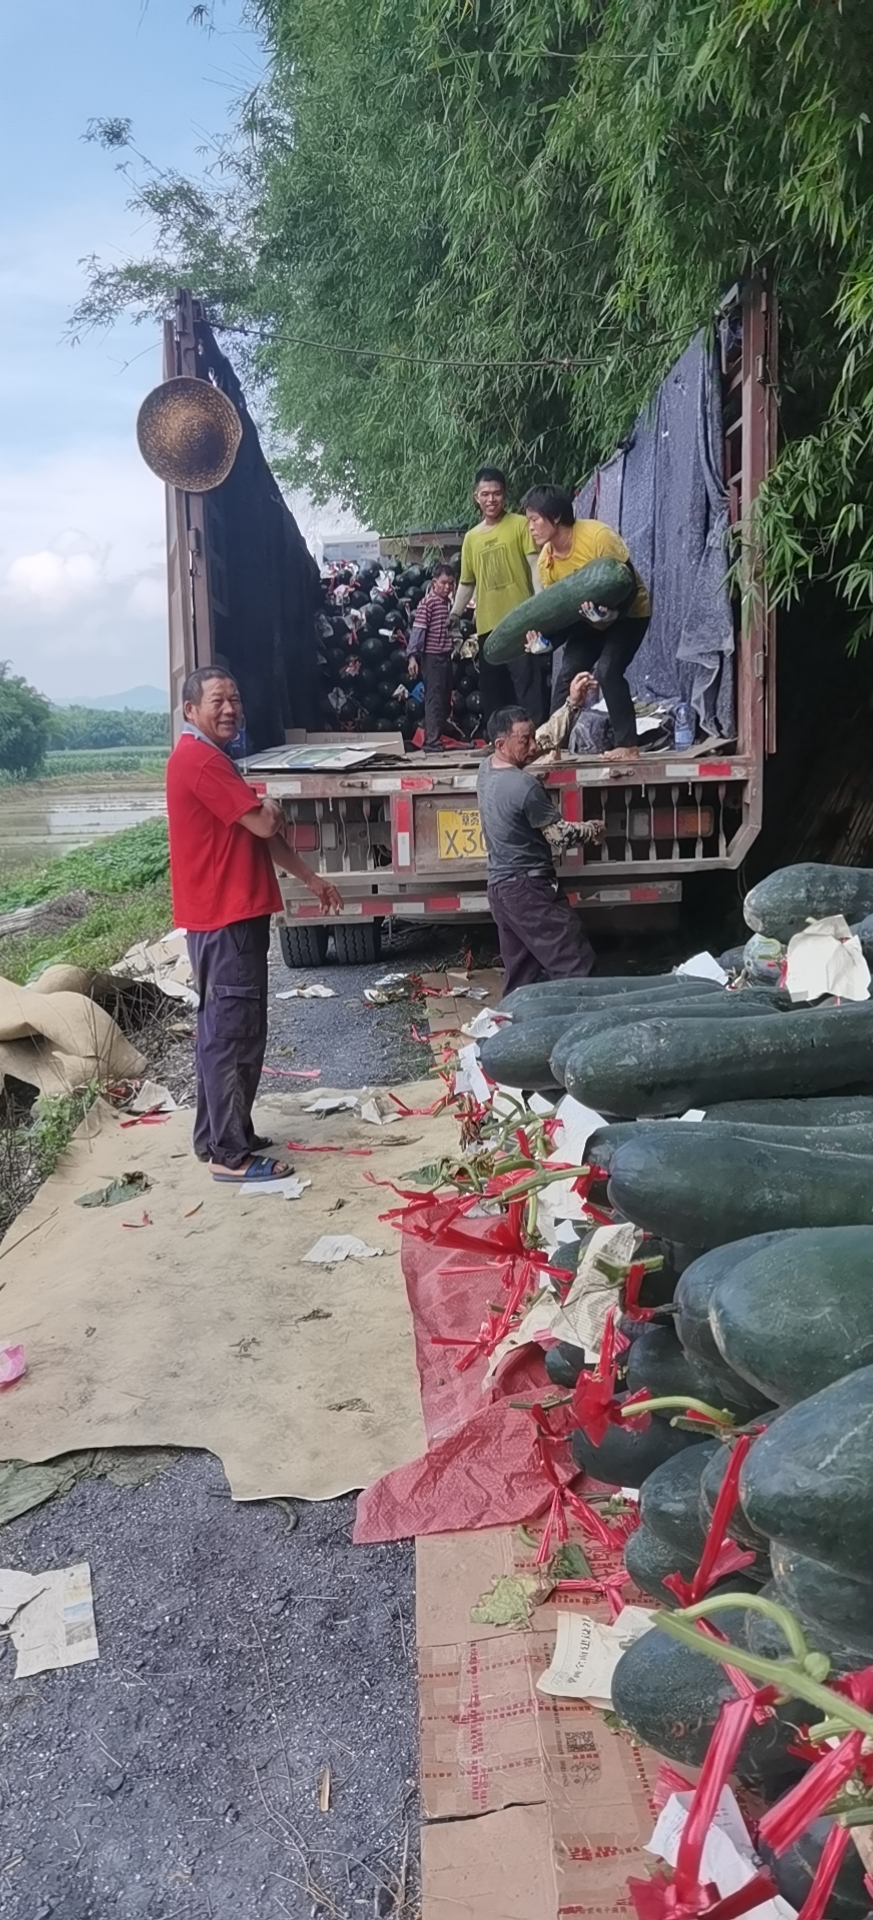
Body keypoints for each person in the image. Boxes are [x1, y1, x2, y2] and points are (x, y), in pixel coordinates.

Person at [166, 665, 343, 1182]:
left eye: (235, 699)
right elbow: (264, 821)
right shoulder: (202, 761)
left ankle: (220, 1136)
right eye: (218, 700)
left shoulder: (207, 758)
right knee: (233, 1035)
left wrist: (310, 878)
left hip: (224, 916)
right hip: (226, 917)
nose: (230, 709)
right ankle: (230, 1157)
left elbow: (255, 834)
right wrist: (274, 804)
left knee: (224, 1031)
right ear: (191, 710)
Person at [477, 705, 605, 994]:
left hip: (501, 890)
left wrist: (572, 705)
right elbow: (560, 836)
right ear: (501, 744)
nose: (534, 747)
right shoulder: (525, 787)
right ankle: (584, 1016)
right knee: (575, 963)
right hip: (529, 891)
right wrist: (592, 829)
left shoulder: (486, 769)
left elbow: (543, 739)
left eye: (532, 737)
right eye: (526, 740)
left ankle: (516, 1019)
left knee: (523, 976)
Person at [522, 484, 650, 759]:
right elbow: (563, 613)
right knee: (566, 676)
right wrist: (547, 642)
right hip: (586, 619)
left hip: (629, 614)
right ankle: (552, 747)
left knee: (607, 671)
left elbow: (627, 583)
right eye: (528, 521)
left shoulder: (598, 537)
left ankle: (628, 745)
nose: (530, 527)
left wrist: (612, 614)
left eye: (535, 519)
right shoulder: (546, 562)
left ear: (556, 517)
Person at [452, 466, 546, 726]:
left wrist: (539, 608)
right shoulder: (471, 538)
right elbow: (466, 583)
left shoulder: (520, 524)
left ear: (504, 495)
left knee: (527, 688)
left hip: (520, 623)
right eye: (485, 494)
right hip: (488, 628)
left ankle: (536, 737)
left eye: (496, 493)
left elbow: (535, 567)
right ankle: (498, 741)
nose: (491, 499)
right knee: (493, 692)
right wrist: (455, 613)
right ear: (476, 497)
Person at [406, 561, 457, 751]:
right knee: (434, 699)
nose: (447, 587)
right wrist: (412, 656)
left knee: (444, 699)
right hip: (433, 658)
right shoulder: (428, 603)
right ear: (434, 582)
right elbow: (418, 630)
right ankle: (432, 741)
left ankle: (437, 736)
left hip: (445, 657)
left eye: (450, 583)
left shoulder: (447, 603)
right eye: (443, 583)